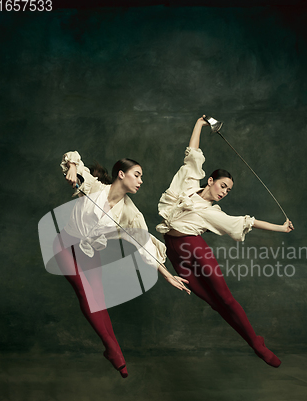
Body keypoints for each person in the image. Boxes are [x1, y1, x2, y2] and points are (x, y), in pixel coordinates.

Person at [156, 116, 294, 368]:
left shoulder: (214, 213)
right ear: (210, 180)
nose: (224, 192)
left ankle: (257, 344)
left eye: (228, 190)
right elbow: (194, 154)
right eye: (223, 185)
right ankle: (254, 340)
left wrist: (281, 228)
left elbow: (246, 222)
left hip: (194, 248)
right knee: (213, 304)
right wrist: (200, 123)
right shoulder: (188, 184)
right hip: (174, 253)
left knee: (226, 299)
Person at [54, 151, 189, 379]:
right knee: (85, 292)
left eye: (141, 177)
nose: (141, 181)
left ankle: (111, 349)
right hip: (65, 246)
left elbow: (145, 244)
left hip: (89, 254)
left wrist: (167, 275)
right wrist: (72, 167)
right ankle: (114, 352)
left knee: (99, 302)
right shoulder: (95, 187)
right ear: (121, 174)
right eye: (137, 175)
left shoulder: (130, 214)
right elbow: (72, 157)